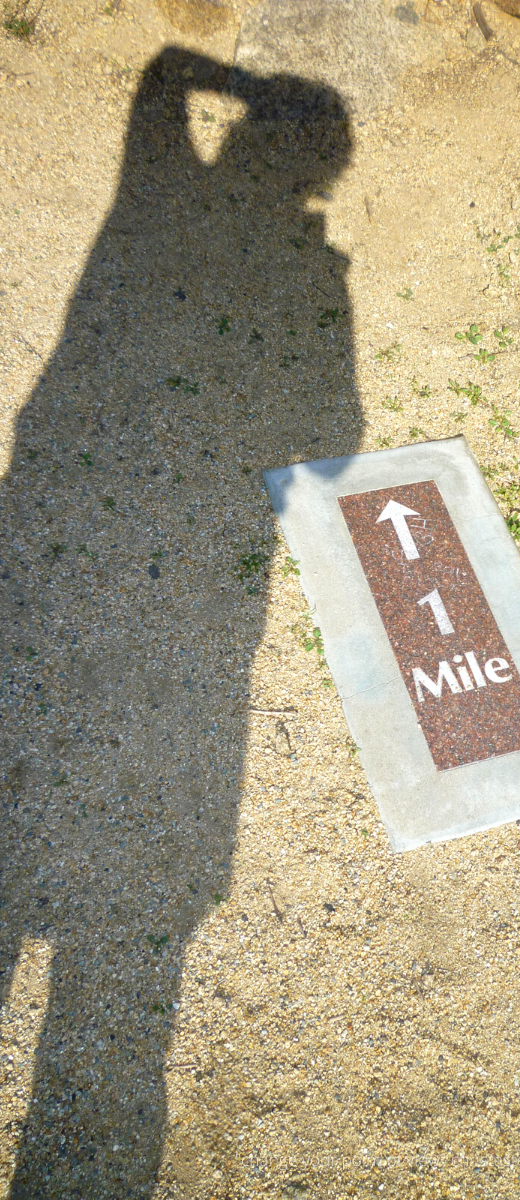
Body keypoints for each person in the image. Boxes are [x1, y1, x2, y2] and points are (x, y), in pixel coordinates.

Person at [0, 48, 360, 1197]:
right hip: (158, 548)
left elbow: (158, 75)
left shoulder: (155, 198)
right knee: (129, 990)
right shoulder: (288, 259)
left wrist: (240, 88)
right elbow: (332, 439)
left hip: (54, 469)